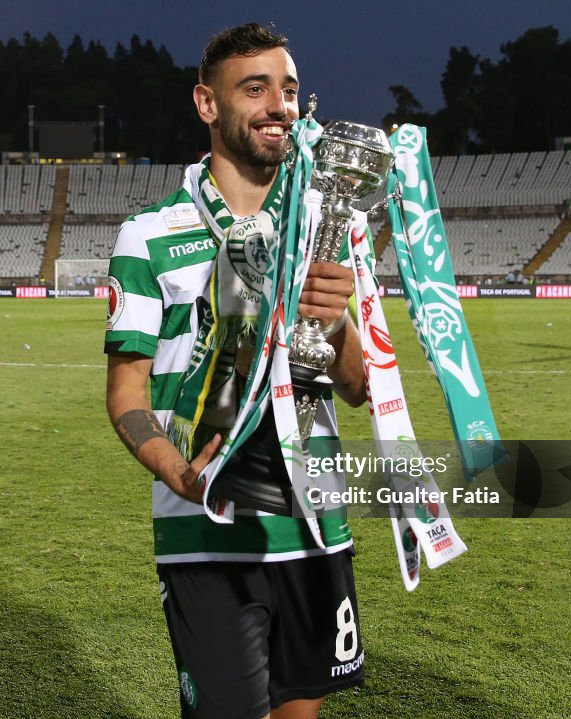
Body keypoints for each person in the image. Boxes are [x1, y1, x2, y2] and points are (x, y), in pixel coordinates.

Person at [104, 23, 366, 719]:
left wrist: (335, 321)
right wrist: (174, 470)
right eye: (255, 88)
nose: (278, 104)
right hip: (205, 528)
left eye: (289, 89)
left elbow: (364, 385)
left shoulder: (326, 225)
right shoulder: (149, 234)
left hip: (314, 521)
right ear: (207, 103)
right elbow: (126, 392)